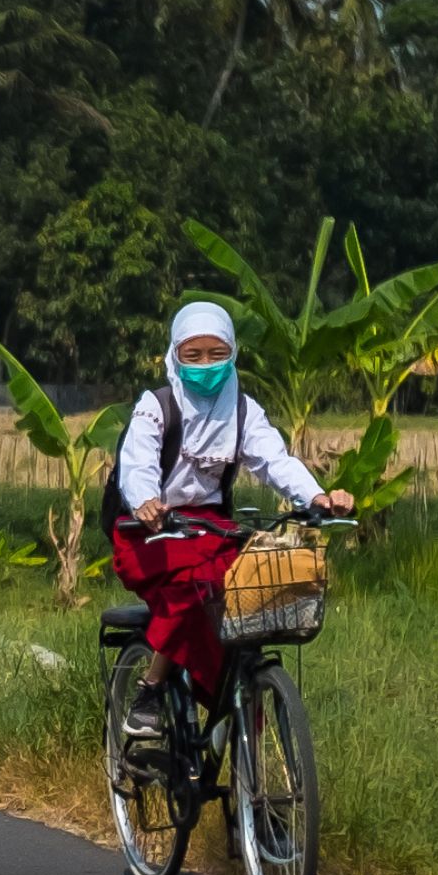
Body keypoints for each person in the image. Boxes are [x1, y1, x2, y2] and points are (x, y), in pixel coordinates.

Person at [110, 301, 353, 737]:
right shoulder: (157, 407)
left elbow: (275, 461)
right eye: (194, 355)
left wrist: (316, 496)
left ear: (233, 354)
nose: (206, 365)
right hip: (151, 530)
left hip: (209, 526)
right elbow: (137, 463)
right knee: (192, 587)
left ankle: (251, 758)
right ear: (175, 356)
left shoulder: (242, 410)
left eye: (217, 354)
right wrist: (146, 501)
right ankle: (150, 688)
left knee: (254, 587)